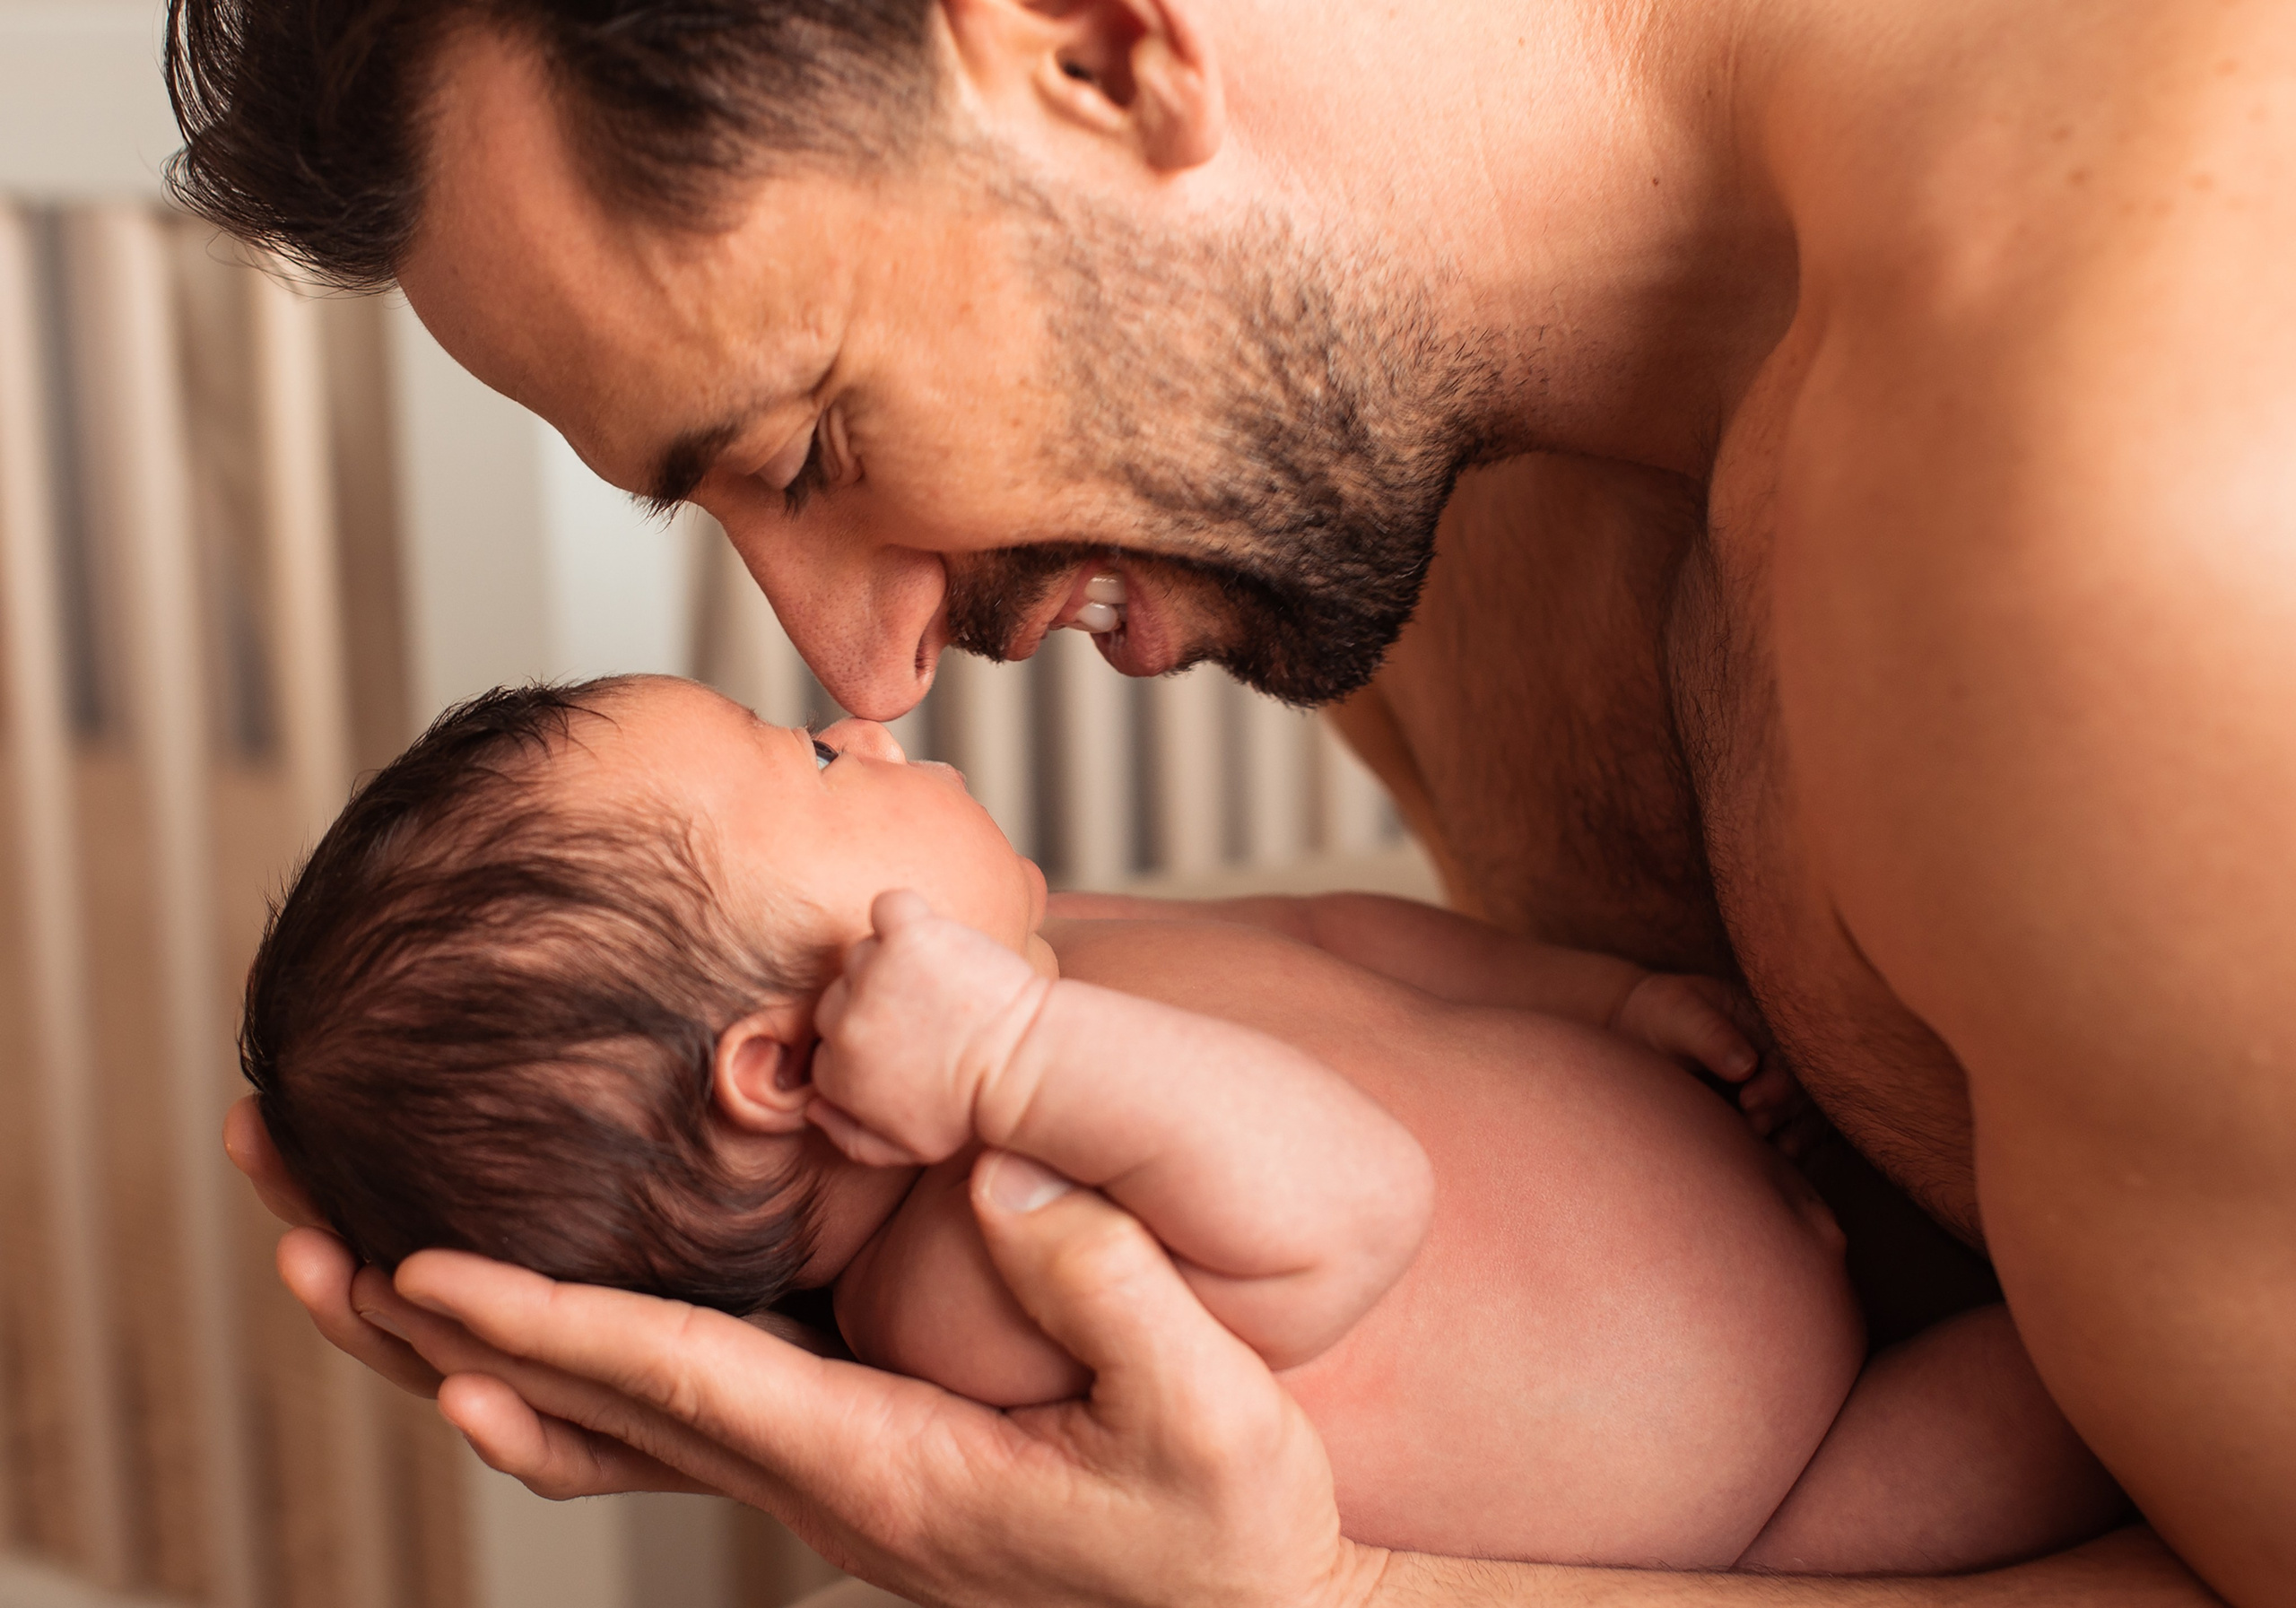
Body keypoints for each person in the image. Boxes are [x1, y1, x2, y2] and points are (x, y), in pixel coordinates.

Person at [167, 0, 2294, 1601]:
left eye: (808, 445)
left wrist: (1319, 1600)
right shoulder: (1385, 493)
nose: (863, 672)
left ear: (1094, 51)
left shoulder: (2135, 527)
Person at [243, 674, 2122, 1573]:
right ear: (792, 1067)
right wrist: (1007, 1074)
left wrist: (1592, 1004)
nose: (866, 725)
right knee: (2114, 1404)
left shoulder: (1065, 944)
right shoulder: (973, 1286)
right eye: (805, 764)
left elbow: (1347, 949)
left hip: (1775, 1189)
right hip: (1787, 1489)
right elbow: (1343, 1201)